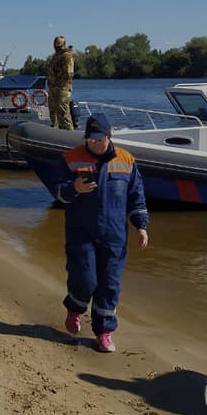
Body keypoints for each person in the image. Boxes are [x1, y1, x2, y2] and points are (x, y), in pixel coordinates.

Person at [49, 114, 149, 353]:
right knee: (85, 279)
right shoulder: (71, 158)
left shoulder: (127, 160)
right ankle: (75, 309)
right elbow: (58, 192)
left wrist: (141, 225)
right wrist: (74, 188)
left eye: (98, 138)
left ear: (108, 136)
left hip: (114, 236)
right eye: (89, 138)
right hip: (81, 232)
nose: (93, 142)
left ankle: (104, 331)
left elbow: (136, 197)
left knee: (109, 286)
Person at [48, 35, 76, 130]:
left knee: (63, 113)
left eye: (58, 44)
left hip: (62, 88)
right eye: (55, 44)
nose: (56, 46)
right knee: (53, 112)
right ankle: (56, 132)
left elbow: (69, 73)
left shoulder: (67, 56)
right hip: (53, 88)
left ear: (63, 44)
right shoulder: (56, 56)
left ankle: (69, 135)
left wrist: (59, 85)